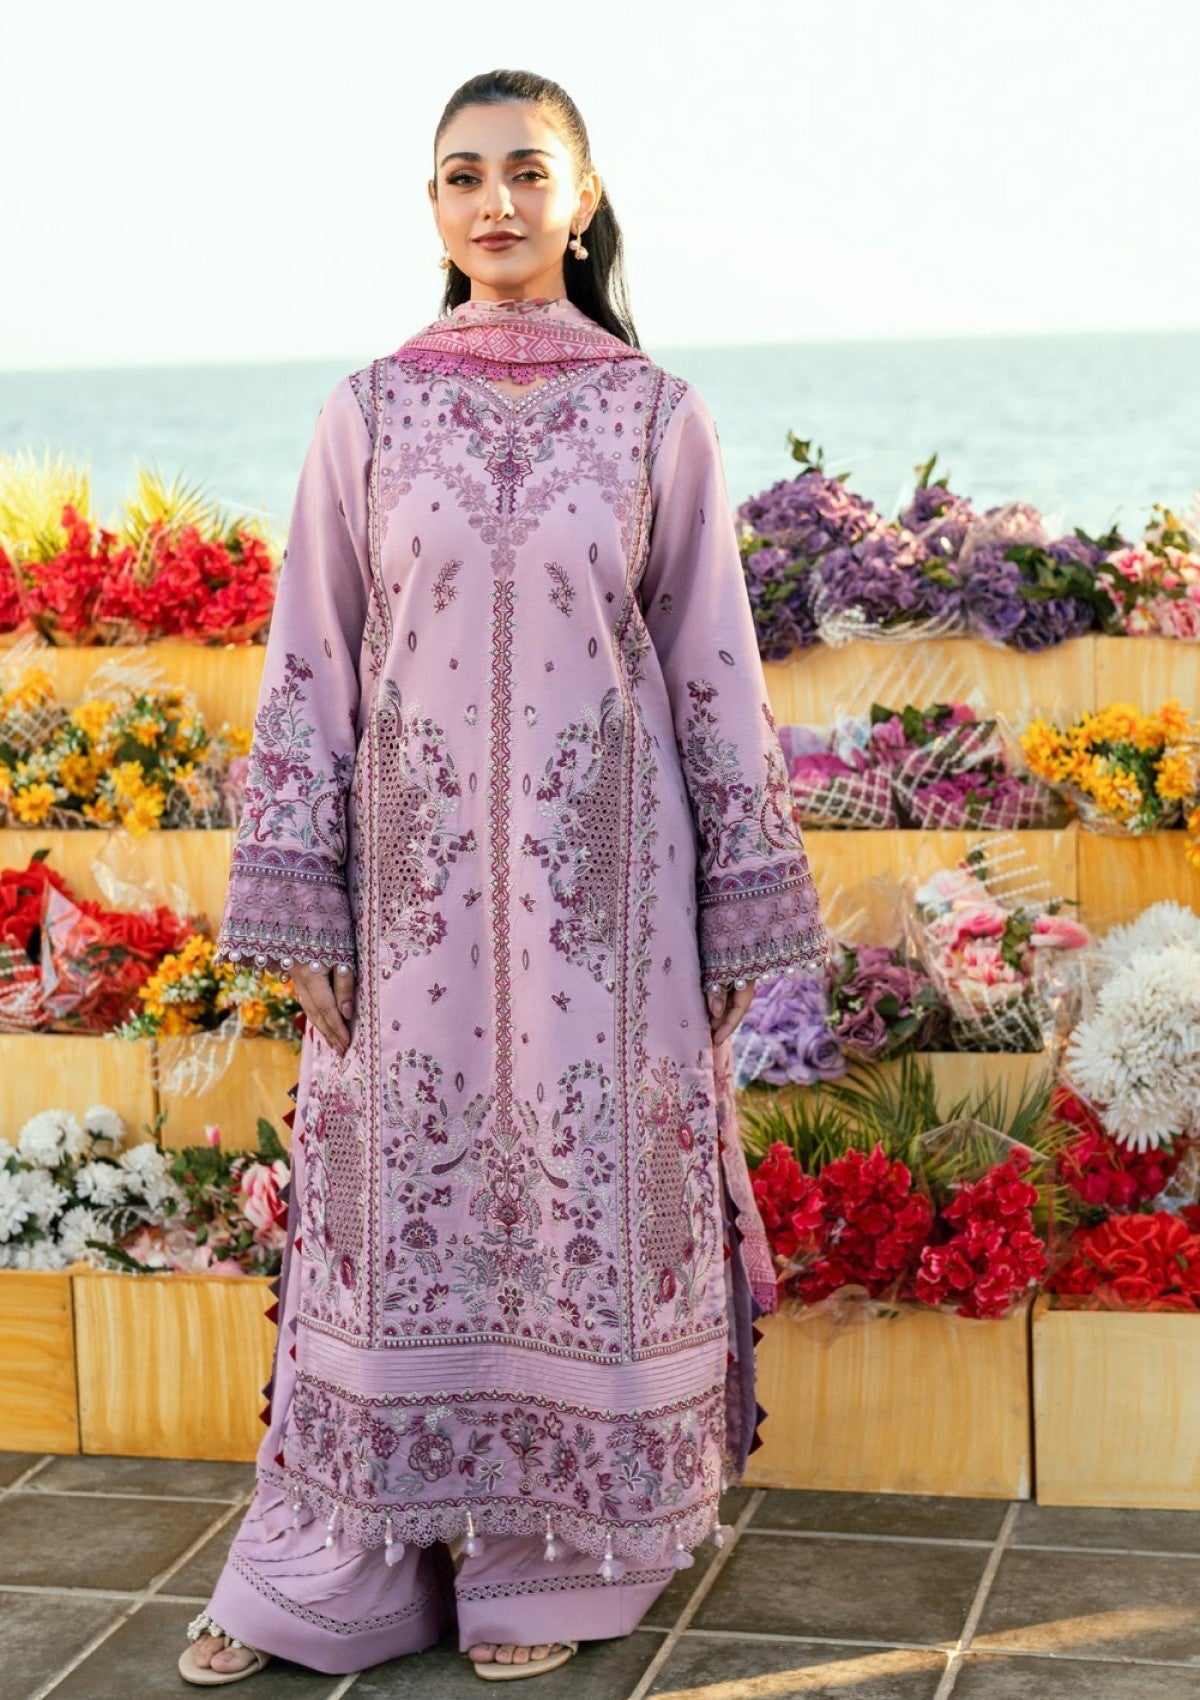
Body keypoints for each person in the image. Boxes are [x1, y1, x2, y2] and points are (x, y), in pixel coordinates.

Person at [179, 65, 826, 1688]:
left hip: (614, 903)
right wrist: (299, 893)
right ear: (433, 208)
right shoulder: (370, 412)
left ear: (582, 201)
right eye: (464, 175)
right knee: (393, 1206)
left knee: (585, 1197)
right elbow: (310, 662)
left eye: (528, 171)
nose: (496, 201)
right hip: (407, 906)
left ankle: (562, 1551)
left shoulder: (657, 415)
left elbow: (713, 669)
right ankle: (344, 1561)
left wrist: (739, 899)